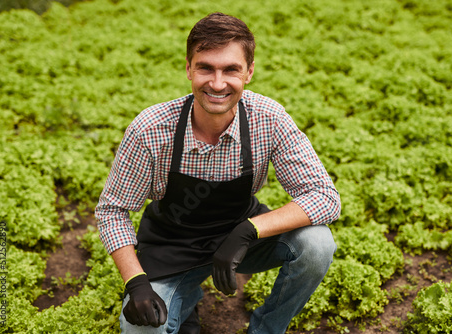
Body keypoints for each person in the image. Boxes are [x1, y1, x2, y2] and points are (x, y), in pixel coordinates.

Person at [95, 12, 340, 334]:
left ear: (249, 72)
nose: (217, 82)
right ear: (188, 68)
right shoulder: (151, 129)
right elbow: (112, 210)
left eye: (231, 69)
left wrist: (246, 232)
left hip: (241, 234)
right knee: (141, 330)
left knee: (317, 244)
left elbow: (325, 197)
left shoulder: (268, 118)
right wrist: (136, 282)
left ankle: (266, 329)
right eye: (206, 68)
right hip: (172, 244)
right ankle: (185, 296)